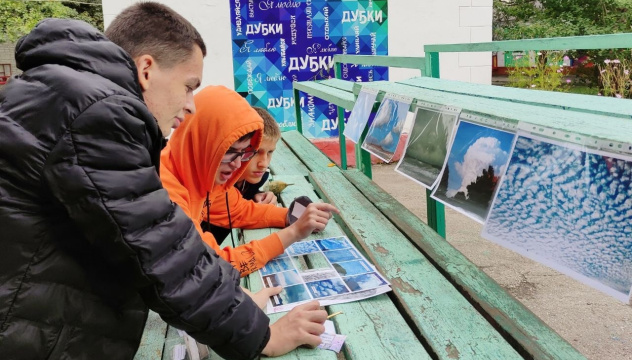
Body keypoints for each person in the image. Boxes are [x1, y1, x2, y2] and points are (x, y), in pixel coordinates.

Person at [0, 3, 326, 359]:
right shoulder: (99, 113)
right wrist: (262, 336)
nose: (190, 106)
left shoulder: (63, 96)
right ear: (146, 69)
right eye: (188, 86)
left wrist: (283, 220)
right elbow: (164, 255)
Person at [161, 86, 339, 277]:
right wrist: (293, 233)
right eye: (229, 151)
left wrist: (291, 217)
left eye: (245, 152)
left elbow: (240, 210)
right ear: (201, 140)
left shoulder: (198, 175)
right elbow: (214, 267)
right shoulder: (166, 195)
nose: (238, 163)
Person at [201, 106, 281, 242]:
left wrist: (256, 196)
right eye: (255, 152)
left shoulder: (256, 180)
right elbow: (240, 212)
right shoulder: (214, 183)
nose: (264, 163)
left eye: (270, 152)